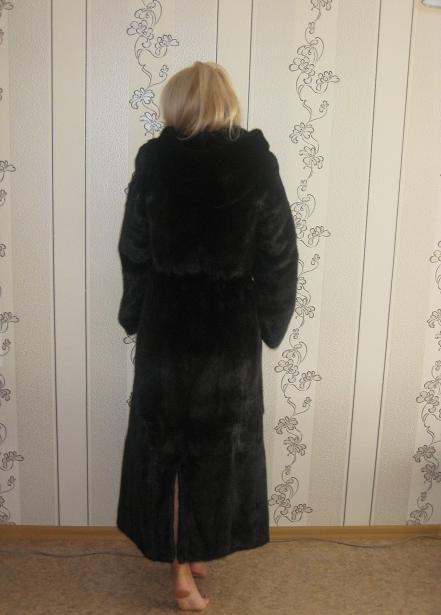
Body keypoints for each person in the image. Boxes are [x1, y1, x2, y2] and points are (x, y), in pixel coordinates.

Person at [117, 61, 298, 611]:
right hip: (228, 332)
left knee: (170, 450)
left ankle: (190, 555)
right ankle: (183, 571)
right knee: (218, 448)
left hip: (168, 329)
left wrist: (134, 313)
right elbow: (279, 255)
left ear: (177, 104)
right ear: (226, 103)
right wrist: (271, 322)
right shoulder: (257, 164)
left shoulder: (155, 161)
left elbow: (134, 248)